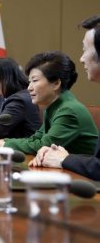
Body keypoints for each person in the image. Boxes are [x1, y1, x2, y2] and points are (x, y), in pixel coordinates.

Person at [0, 51, 98, 155]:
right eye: (29, 81)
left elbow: (43, 145)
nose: (29, 88)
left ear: (56, 84)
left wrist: (3, 144)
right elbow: (34, 139)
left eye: (35, 81)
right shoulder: (55, 106)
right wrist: (4, 141)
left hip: (85, 177)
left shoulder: (68, 110)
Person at [30, 15, 100, 180]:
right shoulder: (54, 106)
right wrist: (64, 156)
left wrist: (65, 159)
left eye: (85, 49)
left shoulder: (69, 108)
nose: (82, 58)